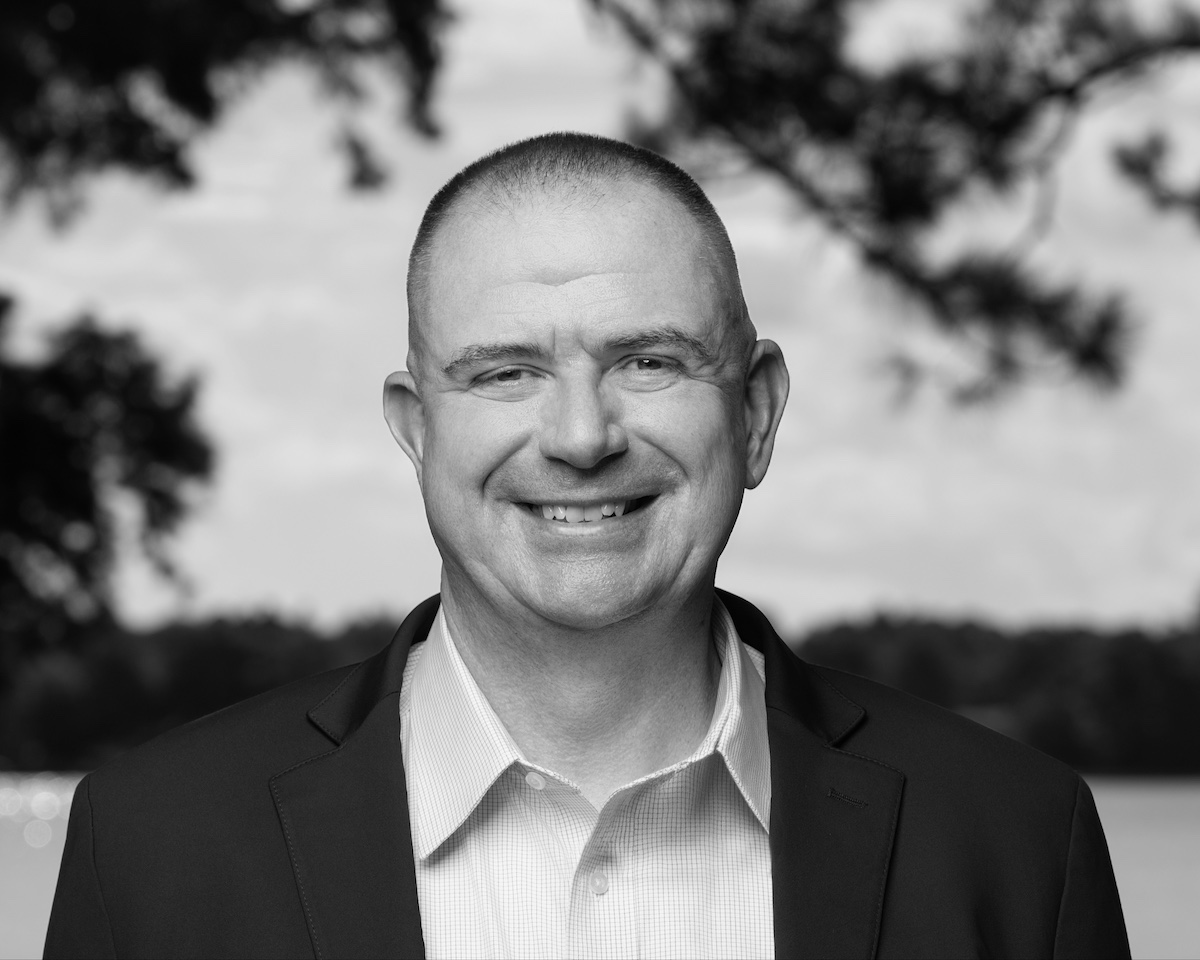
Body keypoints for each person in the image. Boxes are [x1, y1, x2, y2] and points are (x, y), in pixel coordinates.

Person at [44, 132, 1129, 960]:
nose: (580, 436)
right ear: (416, 431)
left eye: (649, 362)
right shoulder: (153, 846)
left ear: (755, 414)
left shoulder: (1017, 840)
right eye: (505, 372)